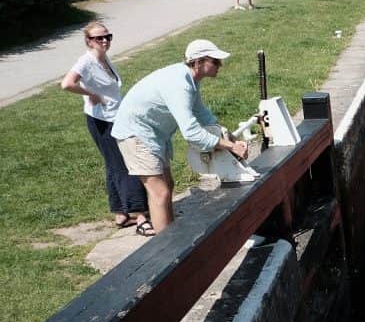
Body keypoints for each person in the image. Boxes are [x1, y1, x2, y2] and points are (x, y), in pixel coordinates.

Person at [112, 39, 249, 236]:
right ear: (199, 62)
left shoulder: (190, 80)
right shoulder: (180, 84)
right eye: (215, 61)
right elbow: (192, 133)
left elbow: (203, 115)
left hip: (154, 133)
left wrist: (230, 137)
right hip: (136, 133)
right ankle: (166, 248)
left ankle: (169, 232)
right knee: (160, 193)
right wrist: (229, 146)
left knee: (167, 185)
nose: (220, 65)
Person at [61, 22, 148, 230]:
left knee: (112, 165)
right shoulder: (86, 61)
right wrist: (91, 95)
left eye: (108, 36)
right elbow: (67, 84)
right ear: (88, 41)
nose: (104, 41)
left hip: (115, 117)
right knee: (123, 165)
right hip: (102, 121)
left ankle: (120, 214)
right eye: (99, 38)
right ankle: (140, 214)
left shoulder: (103, 58)